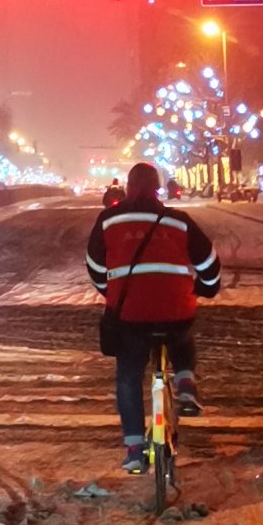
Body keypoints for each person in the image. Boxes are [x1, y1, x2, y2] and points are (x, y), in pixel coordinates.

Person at [85, 161, 221, 473]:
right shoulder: (179, 221)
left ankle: (134, 447)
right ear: (158, 189)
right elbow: (210, 265)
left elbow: (94, 265)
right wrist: (204, 289)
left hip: (129, 316)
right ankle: (185, 383)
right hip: (175, 310)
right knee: (181, 330)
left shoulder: (108, 220)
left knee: (128, 376)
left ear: (128, 188)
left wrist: (115, 294)